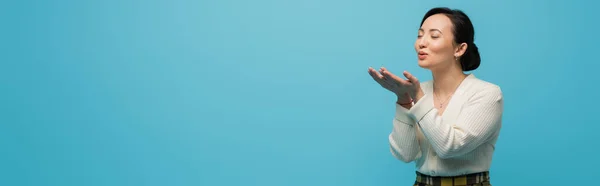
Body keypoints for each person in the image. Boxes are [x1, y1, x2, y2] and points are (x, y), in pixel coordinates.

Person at [367, 7, 503, 186]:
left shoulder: (487, 94)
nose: (421, 43)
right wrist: (403, 100)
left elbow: (450, 147)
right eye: (420, 35)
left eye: (434, 36)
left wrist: (417, 97)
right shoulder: (417, 91)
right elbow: (405, 154)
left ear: (460, 49)